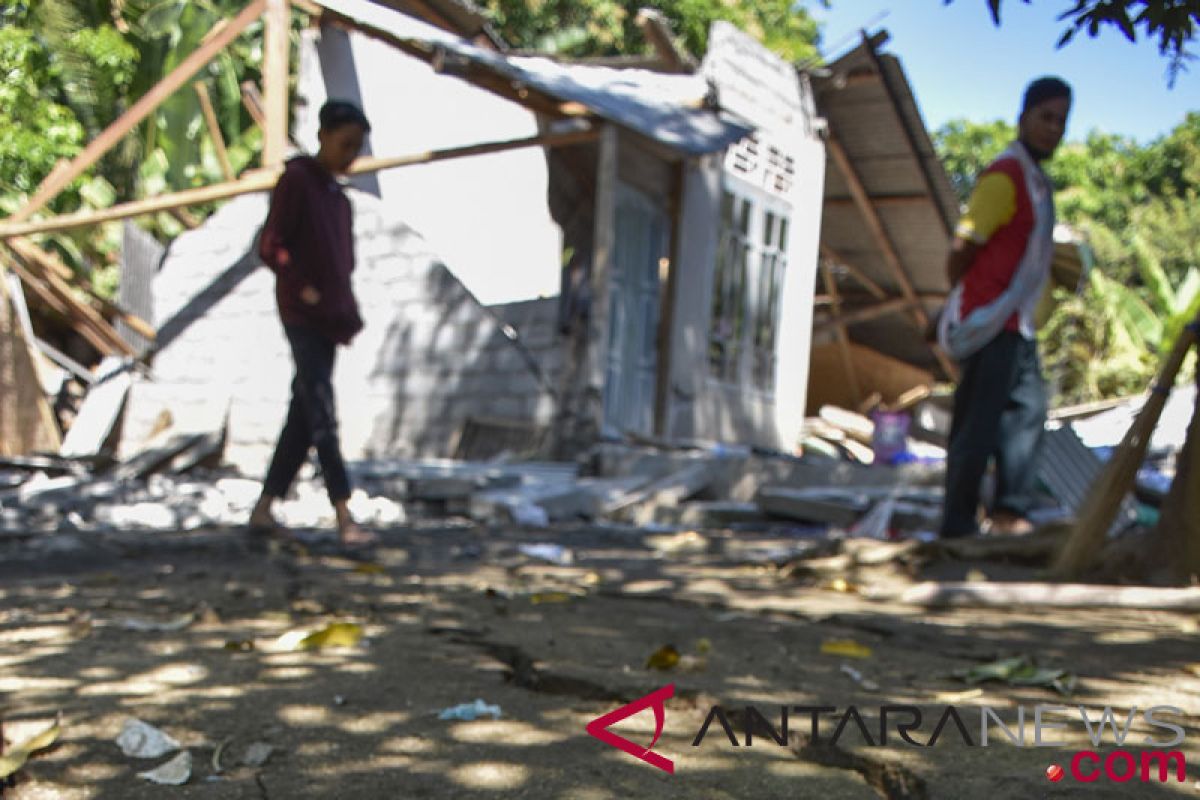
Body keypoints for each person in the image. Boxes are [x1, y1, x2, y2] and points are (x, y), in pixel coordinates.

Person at [937, 77, 1072, 538]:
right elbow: (964, 246)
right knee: (978, 423)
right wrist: (967, 296)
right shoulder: (1005, 176)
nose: (1052, 128)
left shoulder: (1038, 183)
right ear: (1023, 118)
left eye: (1060, 120)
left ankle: (1010, 513)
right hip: (989, 319)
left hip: (1020, 325)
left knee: (1028, 412)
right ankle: (957, 524)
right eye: (1045, 117)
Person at [248, 99, 375, 548]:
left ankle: (264, 509)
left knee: (303, 415)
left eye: (357, 147)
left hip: (331, 320)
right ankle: (344, 513)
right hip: (302, 316)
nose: (350, 156)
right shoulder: (297, 181)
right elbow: (270, 245)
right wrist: (302, 288)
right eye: (345, 144)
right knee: (321, 410)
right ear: (322, 136)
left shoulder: (339, 201)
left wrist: (341, 306)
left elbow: (345, 264)